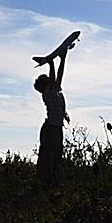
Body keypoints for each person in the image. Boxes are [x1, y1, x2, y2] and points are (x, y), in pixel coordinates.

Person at [34, 49, 70, 189]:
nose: (52, 80)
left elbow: (59, 76)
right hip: (51, 129)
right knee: (47, 156)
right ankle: (43, 182)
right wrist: (51, 64)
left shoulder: (55, 91)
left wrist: (62, 59)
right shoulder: (48, 93)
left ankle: (51, 183)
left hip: (56, 128)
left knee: (56, 156)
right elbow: (55, 75)